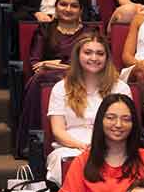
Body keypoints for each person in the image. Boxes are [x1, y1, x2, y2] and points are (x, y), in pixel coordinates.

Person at [45, 33, 130, 182]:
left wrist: (100, 147)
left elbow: (124, 126)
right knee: (69, 161)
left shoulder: (121, 88)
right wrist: (82, 147)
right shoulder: (61, 88)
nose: (94, 58)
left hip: (111, 146)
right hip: (71, 147)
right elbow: (58, 131)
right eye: (88, 52)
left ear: (107, 58)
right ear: (78, 56)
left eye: (100, 53)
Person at [17, 0, 86, 147]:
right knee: (41, 77)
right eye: (63, 4)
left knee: (45, 75)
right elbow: (36, 64)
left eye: (74, 6)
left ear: (81, 10)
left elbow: (92, 65)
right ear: (55, 7)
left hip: (83, 80)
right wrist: (68, 65)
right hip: (46, 79)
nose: (68, 9)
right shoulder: (44, 30)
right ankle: (35, 142)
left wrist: (51, 63)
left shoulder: (89, 33)